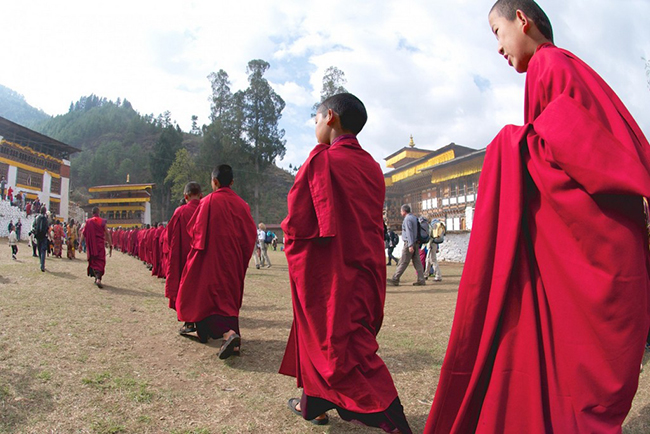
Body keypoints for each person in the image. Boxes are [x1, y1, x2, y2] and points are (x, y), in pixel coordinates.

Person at [424, 2, 650, 433]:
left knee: (577, 372)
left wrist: (511, 145)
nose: (497, 47)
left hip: (596, 247)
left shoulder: (550, 65)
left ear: (522, 20)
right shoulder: (566, 67)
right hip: (608, 240)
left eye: (496, 31)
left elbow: (580, 156)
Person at [279, 93, 412, 433]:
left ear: (331, 118)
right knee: (336, 336)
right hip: (367, 268)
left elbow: (297, 225)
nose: (315, 126)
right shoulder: (371, 167)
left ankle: (391, 417)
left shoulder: (321, 161)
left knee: (340, 345)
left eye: (316, 119)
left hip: (333, 272)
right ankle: (314, 405)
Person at [175, 165, 256, 359]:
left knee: (210, 298)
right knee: (229, 297)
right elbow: (250, 235)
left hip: (212, 259)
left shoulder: (208, 201)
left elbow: (195, 231)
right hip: (234, 259)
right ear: (232, 182)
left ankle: (227, 333)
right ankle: (233, 340)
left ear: (215, 182)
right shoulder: (242, 205)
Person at [165, 182, 202, 335]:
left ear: (185, 196)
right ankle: (203, 320)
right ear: (201, 195)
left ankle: (189, 322)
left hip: (184, 257)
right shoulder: (206, 209)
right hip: (202, 256)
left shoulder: (180, 212)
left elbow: (168, 236)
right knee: (201, 286)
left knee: (186, 287)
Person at [387, 205, 426, 286]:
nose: (401, 213)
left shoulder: (407, 219)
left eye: (401, 211)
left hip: (409, 243)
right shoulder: (414, 218)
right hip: (416, 242)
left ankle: (395, 278)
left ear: (404, 211)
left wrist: (410, 245)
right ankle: (421, 279)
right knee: (417, 261)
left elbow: (409, 232)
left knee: (403, 261)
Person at [80, 207, 112, 288]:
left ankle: (96, 278)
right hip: (100, 245)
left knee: (94, 261)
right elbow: (107, 233)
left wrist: (80, 243)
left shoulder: (88, 221)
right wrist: (110, 244)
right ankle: (98, 278)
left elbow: (83, 233)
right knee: (101, 261)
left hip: (92, 245)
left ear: (92, 213)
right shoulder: (102, 221)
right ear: (99, 212)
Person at [33, 206, 50, 272]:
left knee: (39, 249)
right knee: (43, 250)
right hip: (44, 236)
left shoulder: (37, 218)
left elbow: (34, 225)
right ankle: (42, 265)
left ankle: (41, 263)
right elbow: (47, 228)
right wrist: (50, 237)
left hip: (38, 236)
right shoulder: (45, 219)